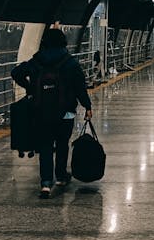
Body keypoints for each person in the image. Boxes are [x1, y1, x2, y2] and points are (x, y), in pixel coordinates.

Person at [11, 28, 93, 199]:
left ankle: (46, 183)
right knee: (62, 143)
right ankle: (61, 177)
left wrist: (29, 88)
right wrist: (87, 106)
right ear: (64, 42)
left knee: (45, 145)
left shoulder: (36, 61)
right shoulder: (70, 62)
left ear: (44, 42)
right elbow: (80, 87)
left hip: (40, 111)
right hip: (67, 112)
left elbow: (16, 73)